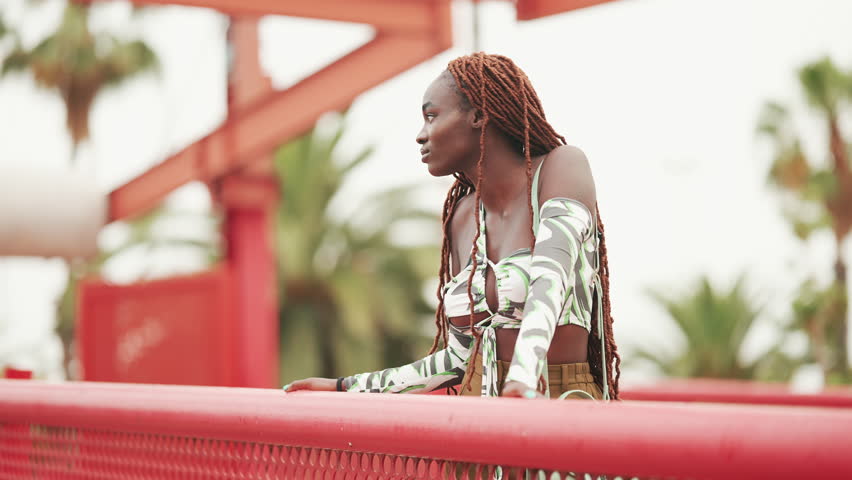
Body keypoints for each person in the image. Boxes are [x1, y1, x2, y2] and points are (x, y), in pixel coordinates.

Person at [283, 53, 620, 400]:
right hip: (482, 417)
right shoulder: (462, 218)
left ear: (478, 115)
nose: (420, 135)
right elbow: (459, 360)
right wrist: (345, 386)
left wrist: (523, 375)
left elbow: (551, 279)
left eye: (432, 117)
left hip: (557, 406)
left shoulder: (561, 167)